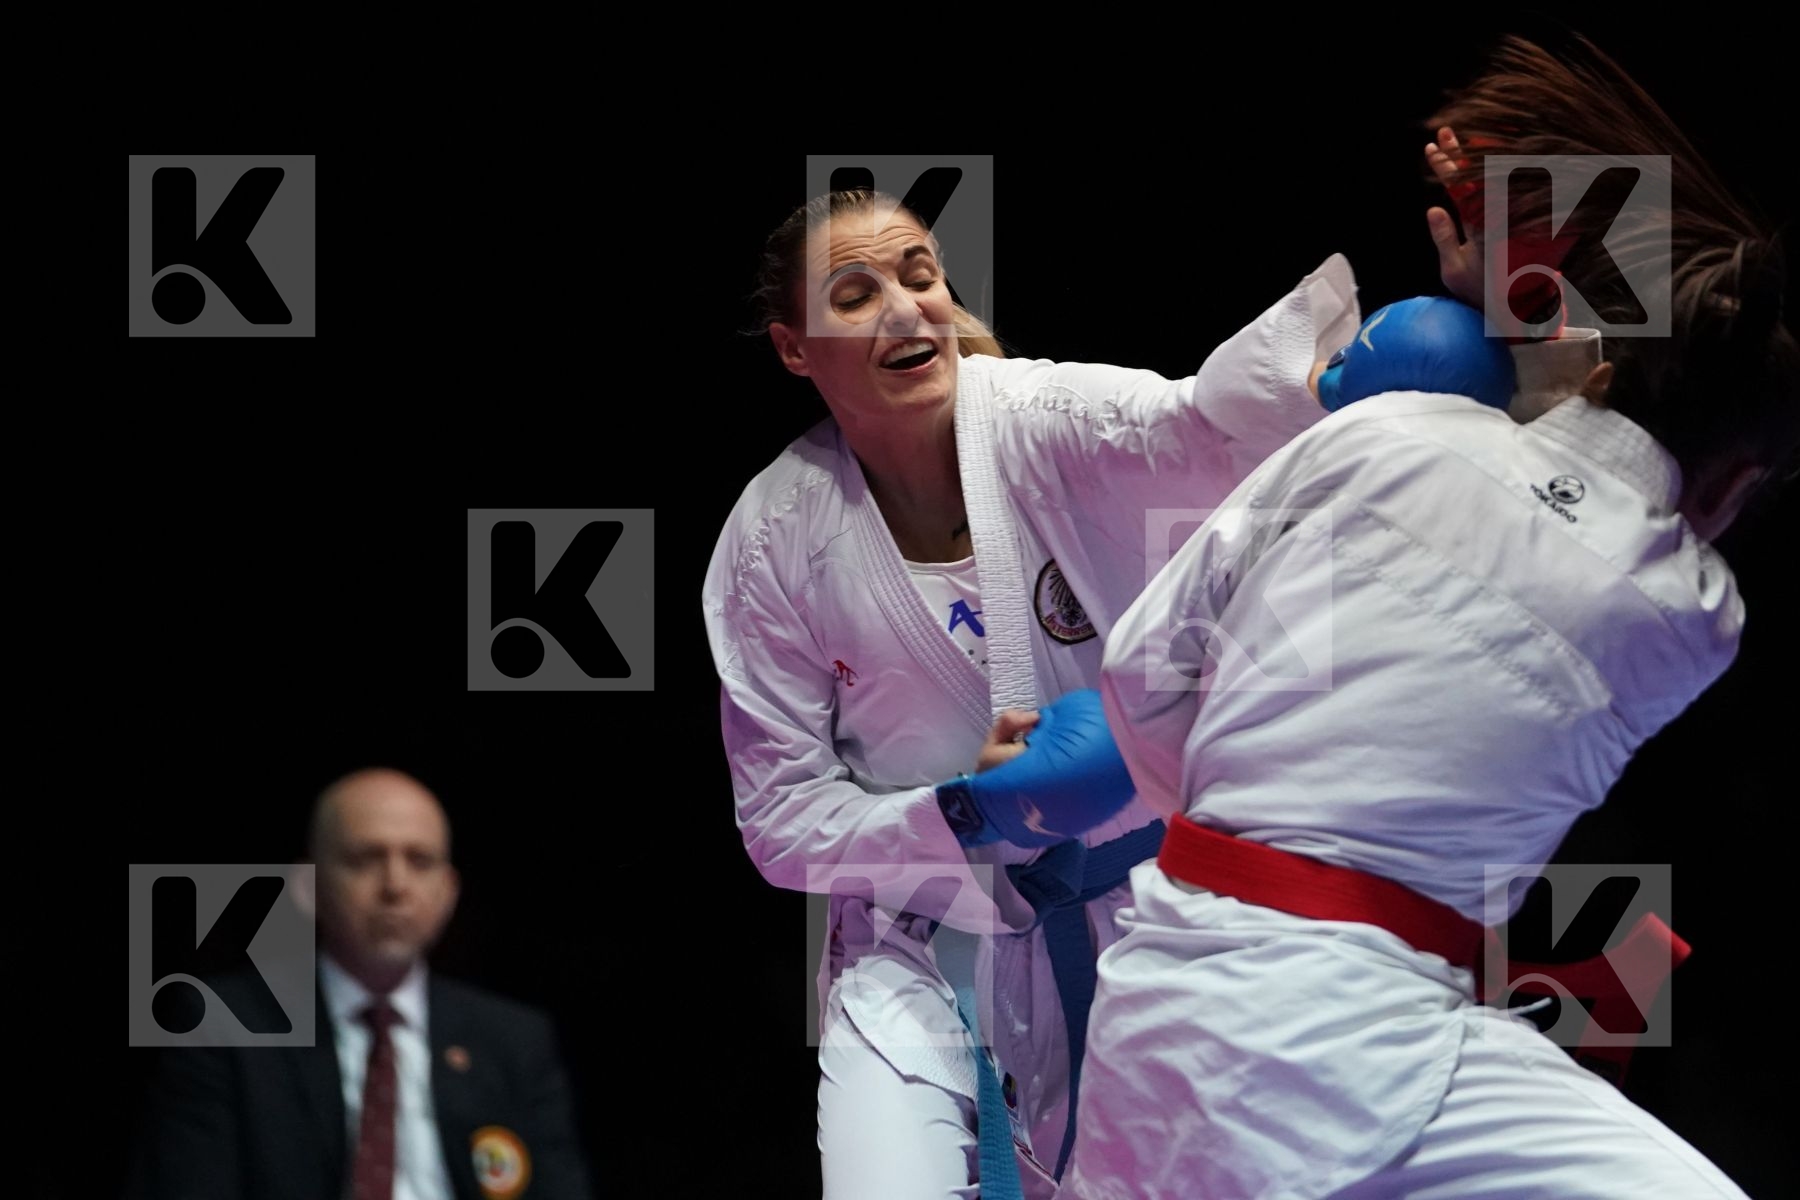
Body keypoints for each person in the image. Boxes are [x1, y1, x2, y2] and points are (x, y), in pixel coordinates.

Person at [703, 164, 1590, 1195]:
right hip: (920, 952)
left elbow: (1199, 431)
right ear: (794, 350)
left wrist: (1410, 363)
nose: (908, 308)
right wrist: (967, 815)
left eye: (921, 274)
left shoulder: (1045, 419)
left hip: (1147, 921)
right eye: (856, 296)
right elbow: (776, 818)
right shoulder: (773, 543)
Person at [1059, 37, 1796, 1200]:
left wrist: (1504, 292)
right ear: (1740, 487)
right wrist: (1532, 295)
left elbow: (1146, 675)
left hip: (1164, 1007)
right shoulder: (1688, 620)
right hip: (1360, 1049)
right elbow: (1664, 361)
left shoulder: (1375, 436)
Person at [129, 768, 595, 1200]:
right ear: (308, 885)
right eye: (365, 859)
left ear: (449, 891)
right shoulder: (225, 1024)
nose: (395, 885)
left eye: (420, 860)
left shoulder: (513, 1040)